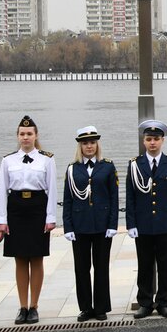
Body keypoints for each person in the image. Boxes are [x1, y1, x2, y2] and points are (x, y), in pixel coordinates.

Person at [0, 115, 57, 325]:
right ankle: (22, 307)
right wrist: (2, 220)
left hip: (38, 209)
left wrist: (51, 217)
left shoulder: (47, 159)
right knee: (20, 259)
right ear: (17, 136)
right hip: (16, 210)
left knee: (37, 258)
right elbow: (2, 191)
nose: (25, 137)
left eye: (29, 133)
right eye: (22, 134)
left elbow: (52, 190)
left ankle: (34, 307)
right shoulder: (8, 160)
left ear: (36, 135)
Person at [125, 120, 167, 318]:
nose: (152, 143)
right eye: (149, 139)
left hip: (165, 224)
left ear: (162, 141)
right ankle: (145, 302)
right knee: (144, 265)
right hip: (143, 224)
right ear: (144, 141)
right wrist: (131, 224)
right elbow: (130, 196)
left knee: (165, 265)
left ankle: (164, 302)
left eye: (156, 139)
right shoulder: (135, 164)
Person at [62, 126, 119, 322]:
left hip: (102, 225)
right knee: (81, 268)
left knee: (101, 268)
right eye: (85, 143)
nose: (89, 146)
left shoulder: (108, 166)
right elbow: (68, 199)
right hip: (80, 226)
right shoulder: (72, 168)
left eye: (92, 142)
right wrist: (68, 227)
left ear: (97, 145)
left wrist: (112, 224)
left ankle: (101, 307)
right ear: (80, 146)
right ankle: (86, 308)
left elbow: (114, 198)